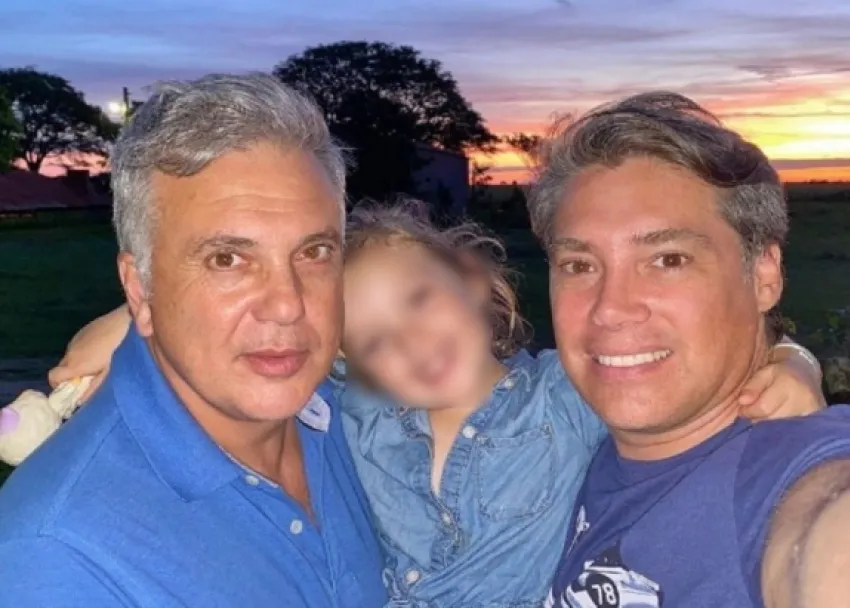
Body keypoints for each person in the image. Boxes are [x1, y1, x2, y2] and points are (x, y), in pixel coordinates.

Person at [43, 195, 824, 606]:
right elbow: (265, 336)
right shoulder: (360, 413)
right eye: (377, 339)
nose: (412, 343)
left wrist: (795, 361)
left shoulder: (564, 396)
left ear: (474, 285)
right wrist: (136, 319)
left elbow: (678, 364)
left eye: (421, 301)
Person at [0, 74, 386, 607]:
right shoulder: (57, 561)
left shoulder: (363, 409)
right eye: (227, 259)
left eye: (314, 252)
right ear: (139, 287)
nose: (288, 305)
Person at [533, 92, 850, 607]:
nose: (610, 309)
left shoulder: (786, 470)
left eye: (668, 259)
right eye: (579, 265)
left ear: (764, 275)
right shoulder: (559, 435)